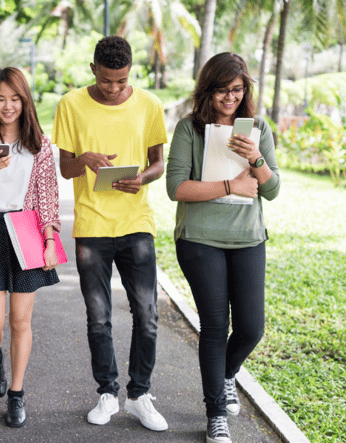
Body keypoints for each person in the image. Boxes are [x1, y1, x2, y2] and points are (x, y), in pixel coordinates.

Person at [52, 36, 169, 432]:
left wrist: (143, 179)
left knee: (147, 315)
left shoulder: (150, 105)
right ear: (93, 71)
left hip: (137, 223)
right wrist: (84, 159)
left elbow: (159, 163)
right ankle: (107, 392)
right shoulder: (71, 104)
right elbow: (66, 169)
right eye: (106, 80)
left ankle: (139, 395)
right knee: (98, 317)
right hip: (92, 225)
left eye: (121, 81)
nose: (115, 88)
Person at [165, 52, 280, 443]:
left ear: (245, 89)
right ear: (207, 91)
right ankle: (216, 412)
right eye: (221, 90)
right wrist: (231, 186)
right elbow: (176, 188)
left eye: (237, 89)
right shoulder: (189, 130)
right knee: (216, 326)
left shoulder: (258, 129)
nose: (229, 97)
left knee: (251, 327)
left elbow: (273, 189)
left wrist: (256, 158)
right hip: (199, 240)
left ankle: (226, 375)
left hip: (248, 238)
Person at [0, 67, 61, 428]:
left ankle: (16, 394)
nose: (8, 106)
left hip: (27, 230)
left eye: (15, 99)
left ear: (25, 101)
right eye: (1, 98)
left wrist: (50, 240)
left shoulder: (40, 146)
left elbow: (48, 197)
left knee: (21, 320)